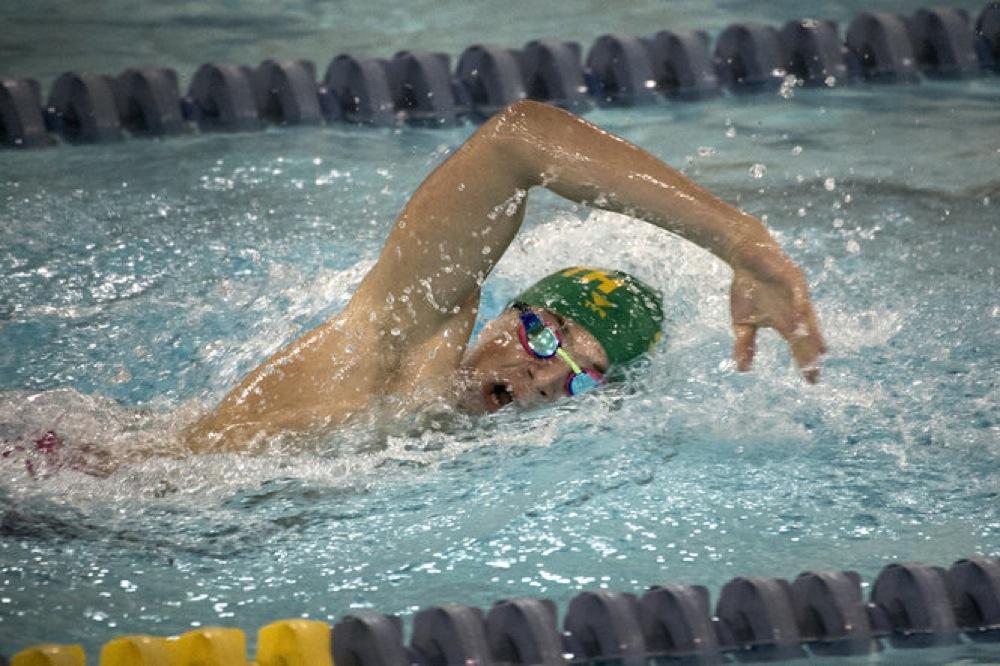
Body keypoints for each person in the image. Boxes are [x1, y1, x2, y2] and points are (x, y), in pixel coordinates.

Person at [185, 100, 826, 453]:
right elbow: (518, 141)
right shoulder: (396, 348)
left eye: (579, 380)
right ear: (503, 311)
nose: (542, 377)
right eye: (547, 337)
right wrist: (740, 241)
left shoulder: (464, 450)